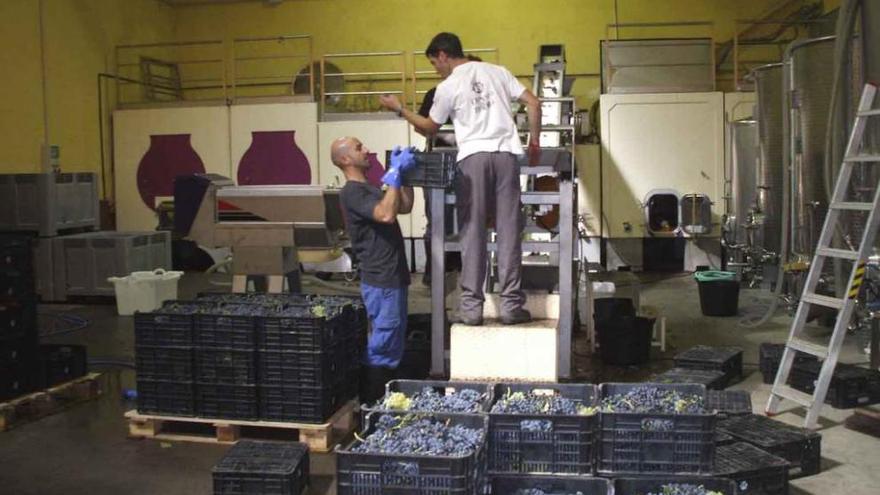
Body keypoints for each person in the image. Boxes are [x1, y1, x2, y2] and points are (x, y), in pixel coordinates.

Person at [379, 32, 541, 326]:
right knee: (508, 231)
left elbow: (429, 127)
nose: (436, 69)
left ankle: (471, 309)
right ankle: (510, 306)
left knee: (473, 232)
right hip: (506, 156)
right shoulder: (499, 71)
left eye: (433, 63)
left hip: (472, 159)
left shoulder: (448, 85)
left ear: (442, 54)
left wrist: (399, 109)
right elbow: (533, 102)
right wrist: (535, 142)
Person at [331, 136, 415, 403]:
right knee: (384, 343)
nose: (367, 149)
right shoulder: (352, 192)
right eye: (359, 148)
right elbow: (385, 215)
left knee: (392, 341)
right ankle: (371, 404)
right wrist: (393, 173)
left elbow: (403, 206)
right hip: (381, 280)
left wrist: (406, 176)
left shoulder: (369, 188)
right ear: (345, 159)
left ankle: (384, 401)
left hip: (393, 277)